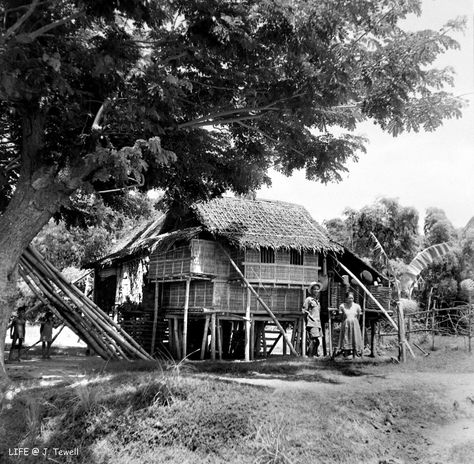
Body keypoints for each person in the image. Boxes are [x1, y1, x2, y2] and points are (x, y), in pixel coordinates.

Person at [337, 292, 363, 358]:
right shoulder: (342, 306)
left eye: (352, 298)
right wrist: (346, 321)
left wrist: (355, 322)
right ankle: (346, 354)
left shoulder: (357, 306)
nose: (351, 299)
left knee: (354, 337)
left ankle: (354, 354)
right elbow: (341, 316)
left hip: (355, 323)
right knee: (346, 337)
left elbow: (358, 316)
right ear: (346, 298)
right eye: (349, 298)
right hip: (346, 323)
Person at [302, 282, 323, 357]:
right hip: (311, 322)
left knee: (317, 341)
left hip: (317, 323)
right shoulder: (308, 299)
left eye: (318, 289)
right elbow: (304, 311)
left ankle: (313, 354)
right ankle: (310, 356)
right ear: (311, 290)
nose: (316, 291)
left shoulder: (317, 301)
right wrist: (307, 321)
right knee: (313, 340)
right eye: (315, 289)